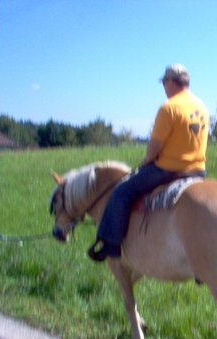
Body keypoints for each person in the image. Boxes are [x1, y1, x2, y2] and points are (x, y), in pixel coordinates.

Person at [89, 63, 209, 261]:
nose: (163, 86)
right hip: (197, 170)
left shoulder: (169, 107)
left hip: (169, 169)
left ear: (171, 82)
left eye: (164, 82)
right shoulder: (201, 106)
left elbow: (154, 147)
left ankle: (110, 244)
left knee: (121, 192)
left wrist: (146, 160)